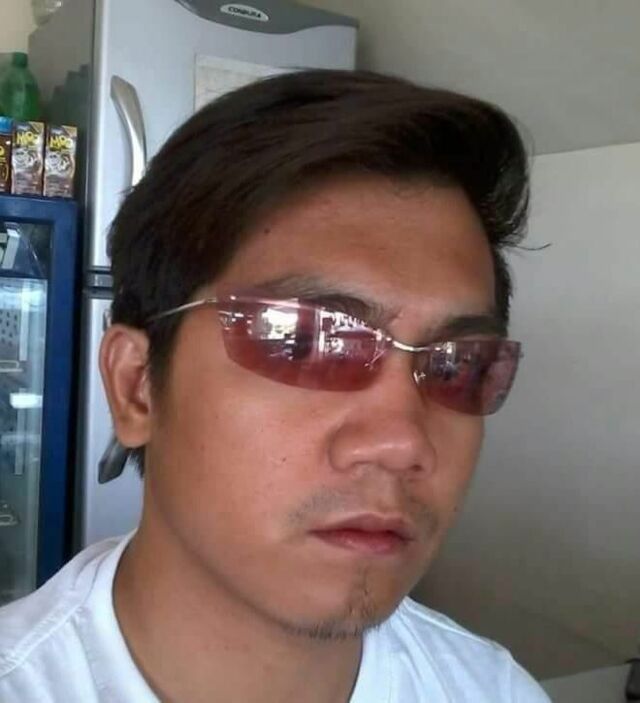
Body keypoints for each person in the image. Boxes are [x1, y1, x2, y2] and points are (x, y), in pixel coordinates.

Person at [0, 69, 550, 702]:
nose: (403, 443)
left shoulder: (494, 691)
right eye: (304, 341)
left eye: (460, 364)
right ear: (136, 388)